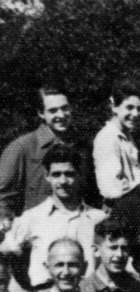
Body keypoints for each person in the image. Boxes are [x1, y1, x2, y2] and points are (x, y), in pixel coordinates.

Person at [0, 145, 105, 290]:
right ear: (47, 176)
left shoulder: (98, 218)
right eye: (56, 174)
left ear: (79, 174)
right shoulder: (32, 218)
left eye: (69, 174)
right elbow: (5, 252)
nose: (62, 181)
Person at [0, 85, 95, 225]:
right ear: (41, 113)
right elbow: (3, 197)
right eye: (53, 111)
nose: (61, 115)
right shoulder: (21, 147)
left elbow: (92, 192)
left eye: (65, 108)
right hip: (38, 229)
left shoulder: (83, 147)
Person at [93, 81, 140, 202]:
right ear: (114, 107)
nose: (136, 114)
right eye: (129, 107)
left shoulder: (127, 136)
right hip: (120, 208)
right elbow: (111, 189)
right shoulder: (107, 138)